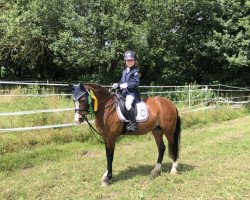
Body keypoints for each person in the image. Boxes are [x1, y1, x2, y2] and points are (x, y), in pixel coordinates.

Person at [112, 50, 140, 132]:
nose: (129, 62)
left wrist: (126, 85)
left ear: (134, 61)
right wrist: (117, 85)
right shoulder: (124, 71)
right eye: (128, 60)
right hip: (123, 93)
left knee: (128, 105)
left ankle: (133, 125)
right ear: (125, 61)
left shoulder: (135, 72)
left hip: (132, 93)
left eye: (131, 60)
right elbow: (121, 82)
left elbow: (136, 83)